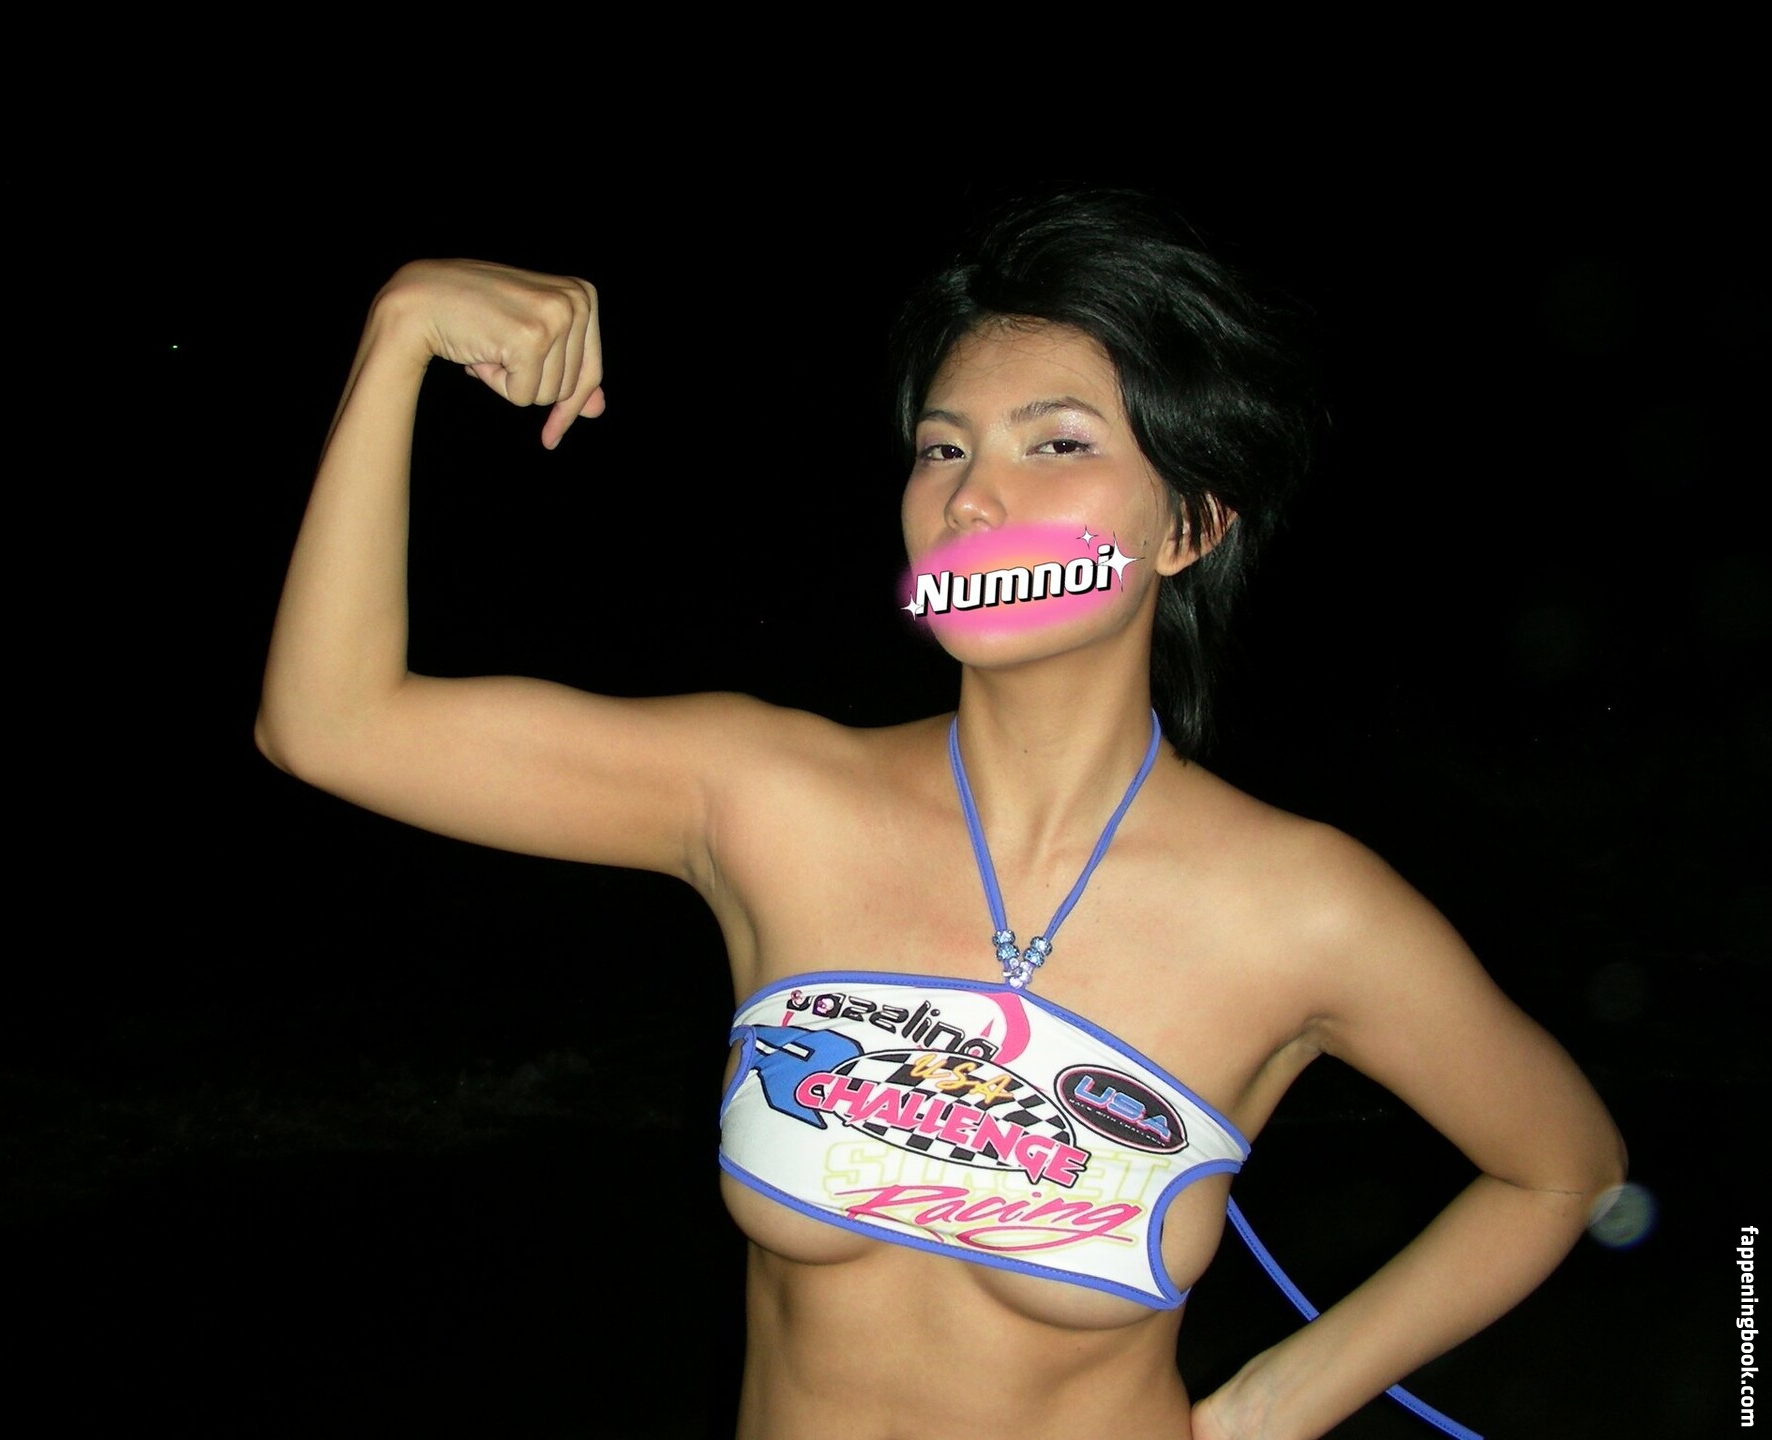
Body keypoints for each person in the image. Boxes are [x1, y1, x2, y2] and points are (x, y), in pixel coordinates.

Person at [256, 190, 1626, 1439]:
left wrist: (1264, 1413)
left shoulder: (1300, 909)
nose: (974, 495)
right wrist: (403, 328)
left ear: (1190, 525)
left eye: (1058, 443)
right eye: (943, 446)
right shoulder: (769, 802)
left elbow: (1561, 1170)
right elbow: (331, 725)